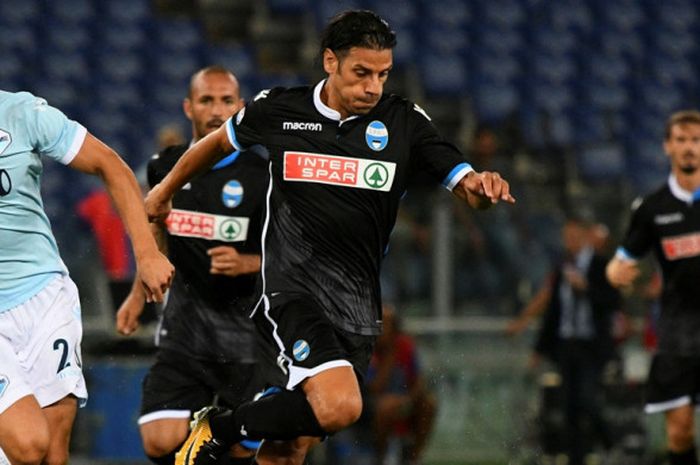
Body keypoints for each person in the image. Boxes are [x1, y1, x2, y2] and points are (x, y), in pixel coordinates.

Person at [145, 10, 514, 465]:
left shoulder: (403, 122)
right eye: (361, 73)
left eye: (382, 74)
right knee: (342, 406)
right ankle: (220, 428)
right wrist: (163, 192)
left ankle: (232, 427)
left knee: (290, 444)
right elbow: (218, 143)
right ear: (329, 62)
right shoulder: (282, 109)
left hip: (358, 305)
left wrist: (481, 189)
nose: (373, 87)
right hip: (292, 293)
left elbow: (464, 183)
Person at [0, 90, 174, 465]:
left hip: (43, 295)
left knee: (53, 451)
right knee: (27, 445)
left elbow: (110, 165)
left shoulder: (21, 112)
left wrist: (146, 254)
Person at [115, 65, 268, 465]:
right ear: (188, 107)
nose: (217, 110)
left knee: (242, 447)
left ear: (241, 106)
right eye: (206, 100)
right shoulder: (162, 167)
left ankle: (216, 428)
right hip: (185, 325)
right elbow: (157, 237)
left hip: (245, 332)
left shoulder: (263, 174)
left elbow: (294, 251)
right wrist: (136, 295)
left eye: (226, 101)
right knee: (158, 440)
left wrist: (248, 261)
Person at [606, 110, 700, 465]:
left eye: (695, 140)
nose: (689, 148)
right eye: (681, 140)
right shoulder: (651, 209)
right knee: (679, 430)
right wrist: (616, 272)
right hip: (677, 330)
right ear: (668, 147)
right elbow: (623, 258)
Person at [507, 216, 621, 464]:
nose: (569, 242)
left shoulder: (601, 265)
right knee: (568, 407)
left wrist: (586, 289)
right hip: (566, 345)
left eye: (573, 237)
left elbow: (613, 302)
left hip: (591, 345)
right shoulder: (562, 269)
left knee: (587, 400)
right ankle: (575, 458)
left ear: (584, 236)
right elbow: (552, 314)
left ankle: (610, 443)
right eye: (566, 237)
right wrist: (539, 350)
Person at [365, 305, 436, 465]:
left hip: (404, 399)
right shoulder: (368, 347)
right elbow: (374, 388)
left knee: (429, 404)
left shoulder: (405, 345)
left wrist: (408, 400)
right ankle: (380, 457)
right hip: (372, 404)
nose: (382, 329)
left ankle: (413, 458)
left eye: (387, 324)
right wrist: (390, 357)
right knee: (386, 407)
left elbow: (419, 379)